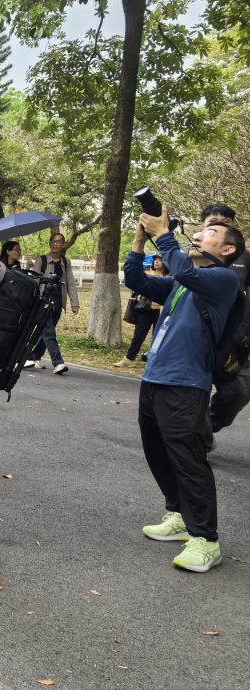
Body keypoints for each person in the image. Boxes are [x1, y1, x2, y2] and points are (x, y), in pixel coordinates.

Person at [123, 206, 243, 572]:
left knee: (189, 459)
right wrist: (139, 241)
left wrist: (163, 234)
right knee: (157, 451)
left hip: (186, 385)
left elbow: (183, 268)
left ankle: (206, 539)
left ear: (226, 250)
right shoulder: (181, 281)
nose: (200, 235)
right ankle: (176, 513)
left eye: (210, 234)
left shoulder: (223, 280)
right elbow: (136, 280)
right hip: (154, 379)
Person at [197, 204, 250, 438]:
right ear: (202, 226)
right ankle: (193, 438)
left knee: (237, 391)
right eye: (212, 222)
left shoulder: (244, 256)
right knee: (192, 391)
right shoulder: (191, 254)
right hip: (199, 336)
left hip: (236, 339)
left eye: (225, 222)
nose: (218, 225)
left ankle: (204, 428)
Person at [23, 232, 79, 375]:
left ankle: (33, 356)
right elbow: (34, 281)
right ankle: (58, 362)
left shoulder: (65, 262)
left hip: (58, 301)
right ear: (50, 243)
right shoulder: (41, 260)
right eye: (53, 241)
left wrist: (75, 302)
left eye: (59, 242)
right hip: (43, 301)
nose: (55, 244)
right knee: (49, 331)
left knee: (45, 331)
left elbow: (71, 283)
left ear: (63, 245)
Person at [115, 256, 166, 367]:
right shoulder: (148, 273)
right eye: (155, 260)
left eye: (160, 260)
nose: (156, 261)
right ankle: (129, 359)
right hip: (146, 309)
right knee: (139, 335)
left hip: (162, 311)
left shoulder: (170, 277)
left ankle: (154, 360)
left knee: (158, 337)